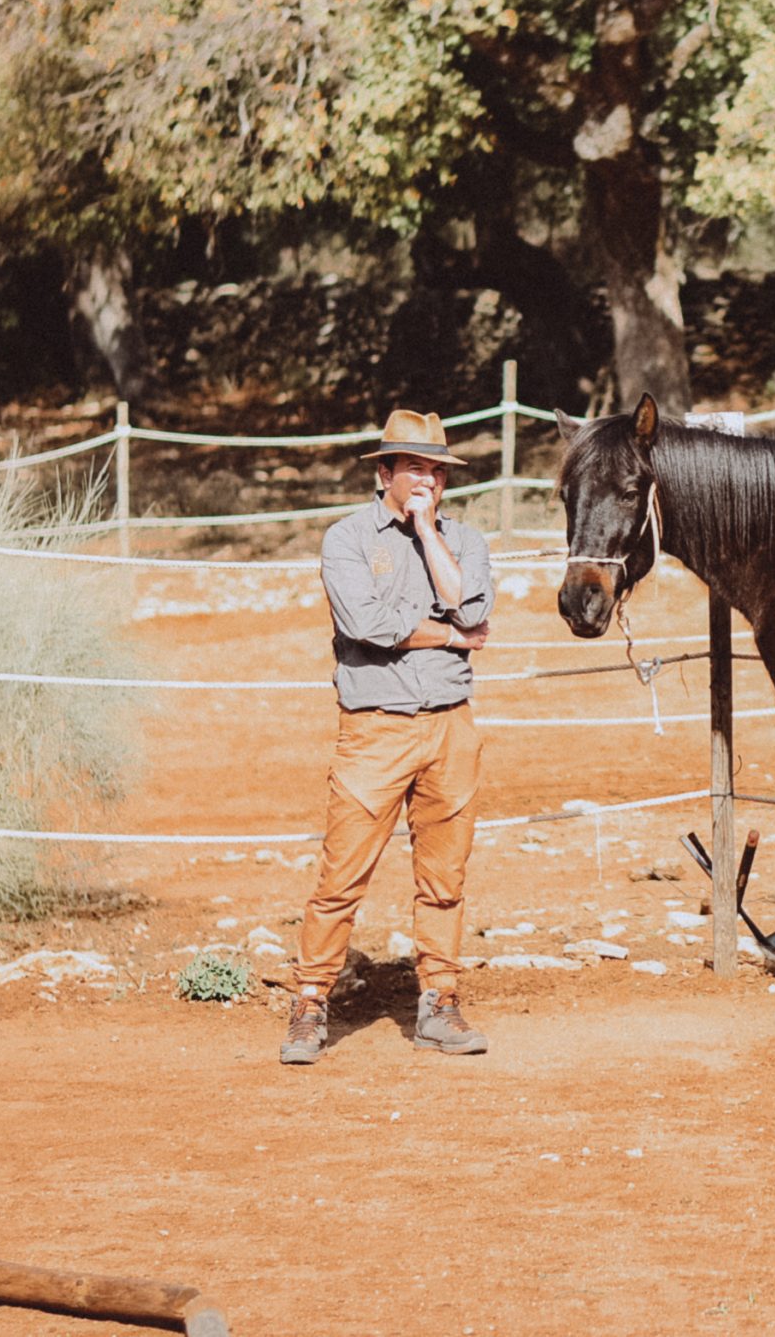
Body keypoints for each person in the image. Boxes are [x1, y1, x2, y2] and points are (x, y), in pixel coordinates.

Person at [281, 409, 495, 1065]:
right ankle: (311, 1001)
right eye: (414, 467)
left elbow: (475, 608)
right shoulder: (347, 538)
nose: (428, 478)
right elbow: (367, 623)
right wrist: (447, 631)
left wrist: (430, 533)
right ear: (384, 472)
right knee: (341, 875)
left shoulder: (465, 538)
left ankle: (440, 1000)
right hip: (375, 731)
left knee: (444, 877)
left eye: (437, 468)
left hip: (450, 727)